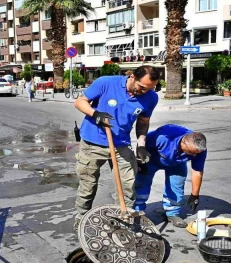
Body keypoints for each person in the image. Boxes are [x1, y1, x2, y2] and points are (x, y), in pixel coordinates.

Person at [74, 65, 160, 228]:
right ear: (133, 76)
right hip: (92, 143)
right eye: (141, 87)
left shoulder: (151, 97)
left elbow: (143, 122)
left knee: (128, 184)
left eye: (149, 89)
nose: (144, 92)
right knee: (88, 185)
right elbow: (79, 102)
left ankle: (123, 219)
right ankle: (81, 219)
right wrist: (95, 114)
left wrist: (141, 145)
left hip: (121, 144)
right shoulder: (106, 82)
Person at [133, 124, 207, 228]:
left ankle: (172, 213)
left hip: (176, 163)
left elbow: (197, 171)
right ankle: (137, 212)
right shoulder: (163, 137)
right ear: (183, 143)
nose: (194, 156)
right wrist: (140, 162)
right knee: (141, 184)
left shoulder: (199, 150)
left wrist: (195, 195)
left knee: (177, 185)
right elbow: (142, 142)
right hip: (152, 159)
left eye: (196, 154)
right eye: (191, 152)